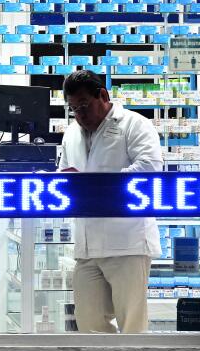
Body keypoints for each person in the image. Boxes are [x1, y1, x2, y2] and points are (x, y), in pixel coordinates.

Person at [58, 70, 163, 334]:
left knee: (132, 324)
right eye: (73, 108)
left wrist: (95, 183)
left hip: (127, 243)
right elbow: (65, 175)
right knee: (89, 323)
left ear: (103, 95)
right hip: (86, 247)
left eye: (84, 105)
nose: (79, 114)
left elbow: (150, 169)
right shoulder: (71, 133)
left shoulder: (134, 124)